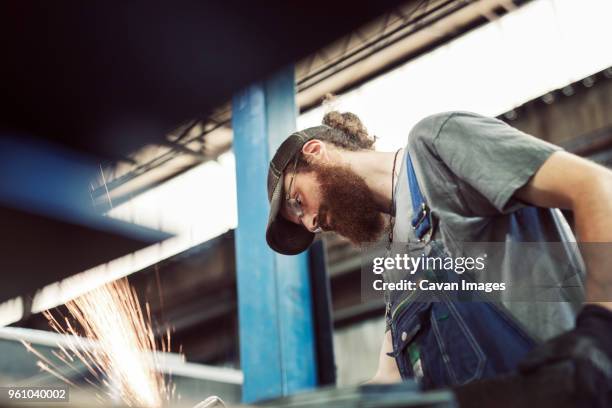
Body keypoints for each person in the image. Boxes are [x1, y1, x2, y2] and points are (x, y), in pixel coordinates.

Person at [264, 108, 612, 403]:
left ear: (315, 151)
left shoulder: (435, 146)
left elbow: (596, 186)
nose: (311, 222)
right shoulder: (395, 268)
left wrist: (601, 331)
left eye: (297, 201)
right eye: (302, 224)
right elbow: (388, 382)